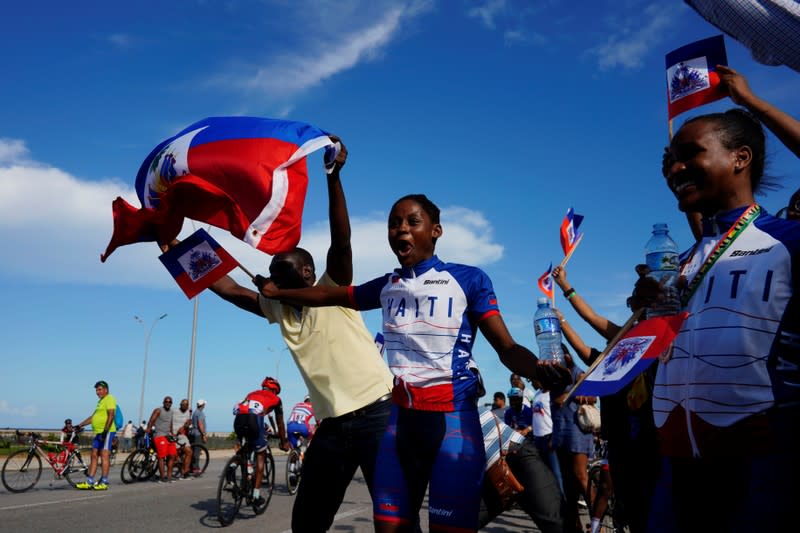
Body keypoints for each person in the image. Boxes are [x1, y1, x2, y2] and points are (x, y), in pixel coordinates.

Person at [260, 193, 570, 532]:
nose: (400, 229)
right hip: (400, 427)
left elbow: (507, 348)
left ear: (436, 230)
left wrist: (537, 369)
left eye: (411, 221)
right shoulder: (387, 286)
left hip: (453, 425)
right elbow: (326, 295)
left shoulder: (469, 279)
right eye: (394, 223)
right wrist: (279, 295)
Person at [174, 135, 397, 532]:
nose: (273, 272)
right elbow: (228, 288)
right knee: (307, 521)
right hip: (331, 424)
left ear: (307, 273)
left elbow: (341, 240)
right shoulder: (277, 308)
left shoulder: (333, 290)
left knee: (394, 518)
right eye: (273, 270)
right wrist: (173, 245)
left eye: (283, 267)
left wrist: (333, 177)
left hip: (377, 413)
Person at [642, 106, 800, 532]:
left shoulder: (788, 241)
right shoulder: (688, 261)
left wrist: (751, 100)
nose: (676, 166)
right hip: (677, 464)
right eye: (671, 158)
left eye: (690, 153)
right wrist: (651, 312)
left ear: (740, 158)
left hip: (761, 467)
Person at [552, 264, 659, 533]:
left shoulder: (665, 338)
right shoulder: (623, 344)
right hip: (623, 439)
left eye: (646, 299)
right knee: (630, 505)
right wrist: (563, 300)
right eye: (636, 298)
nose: (639, 304)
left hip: (654, 439)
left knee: (653, 504)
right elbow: (590, 322)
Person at [477, 407, 564, 533]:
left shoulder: (456, 395)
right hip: (489, 476)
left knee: (557, 524)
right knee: (459, 524)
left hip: (517, 455)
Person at [549, 350, 596, 533]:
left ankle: (597, 522)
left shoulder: (578, 373)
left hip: (576, 432)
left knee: (581, 477)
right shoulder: (554, 377)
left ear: (567, 356)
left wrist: (574, 396)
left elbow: (593, 397)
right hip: (560, 433)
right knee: (568, 485)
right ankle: (574, 526)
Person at [232, 376, 290, 504]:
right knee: (260, 456)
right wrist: (283, 441)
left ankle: (232, 466)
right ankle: (256, 495)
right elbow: (280, 424)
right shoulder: (276, 399)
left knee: (245, 447)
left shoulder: (251, 393)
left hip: (238, 420)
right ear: (275, 390)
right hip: (254, 421)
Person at [75, 380, 117, 490]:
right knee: (93, 455)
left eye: (99, 389)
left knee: (104, 456)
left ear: (106, 390)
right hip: (98, 432)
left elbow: (111, 415)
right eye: (96, 390)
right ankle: (89, 481)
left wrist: (105, 431)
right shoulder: (100, 402)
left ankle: (104, 482)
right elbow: (93, 417)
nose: (97, 392)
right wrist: (80, 425)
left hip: (106, 432)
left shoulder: (110, 398)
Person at [146, 396, 178, 483]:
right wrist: (148, 429)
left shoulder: (171, 412)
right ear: (163, 402)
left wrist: (172, 433)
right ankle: (162, 477)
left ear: (171, 403)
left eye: (170, 402)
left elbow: (170, 423)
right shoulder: (158, 410)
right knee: (161, 457)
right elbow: (151, 420)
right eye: (166, 401)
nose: (168, 403)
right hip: (159, 435)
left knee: (172, 455)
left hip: (168, 436)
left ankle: (169, 476)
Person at [171, 398, 194, 480]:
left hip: (181, 435)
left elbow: (187, 422)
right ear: (180, 405)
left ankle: (185, 472)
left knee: (189, 451)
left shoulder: (188, 412)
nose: (185, 406)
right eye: (183, 404)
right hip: (171, 434)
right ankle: (179, 467)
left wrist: (187, 424)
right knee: (174, 454)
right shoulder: (174, 411)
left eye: (187, 404)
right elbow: (168, 421)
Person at [190, 399, 207, 475]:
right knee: (197, 452)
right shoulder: (200, 413)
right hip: (198, 434)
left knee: (193, 451)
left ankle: (191, 467)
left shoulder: (195, 412)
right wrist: (203, 434)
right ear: (203, 405)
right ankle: (195, 468)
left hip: (193, 433)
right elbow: (200, 424)